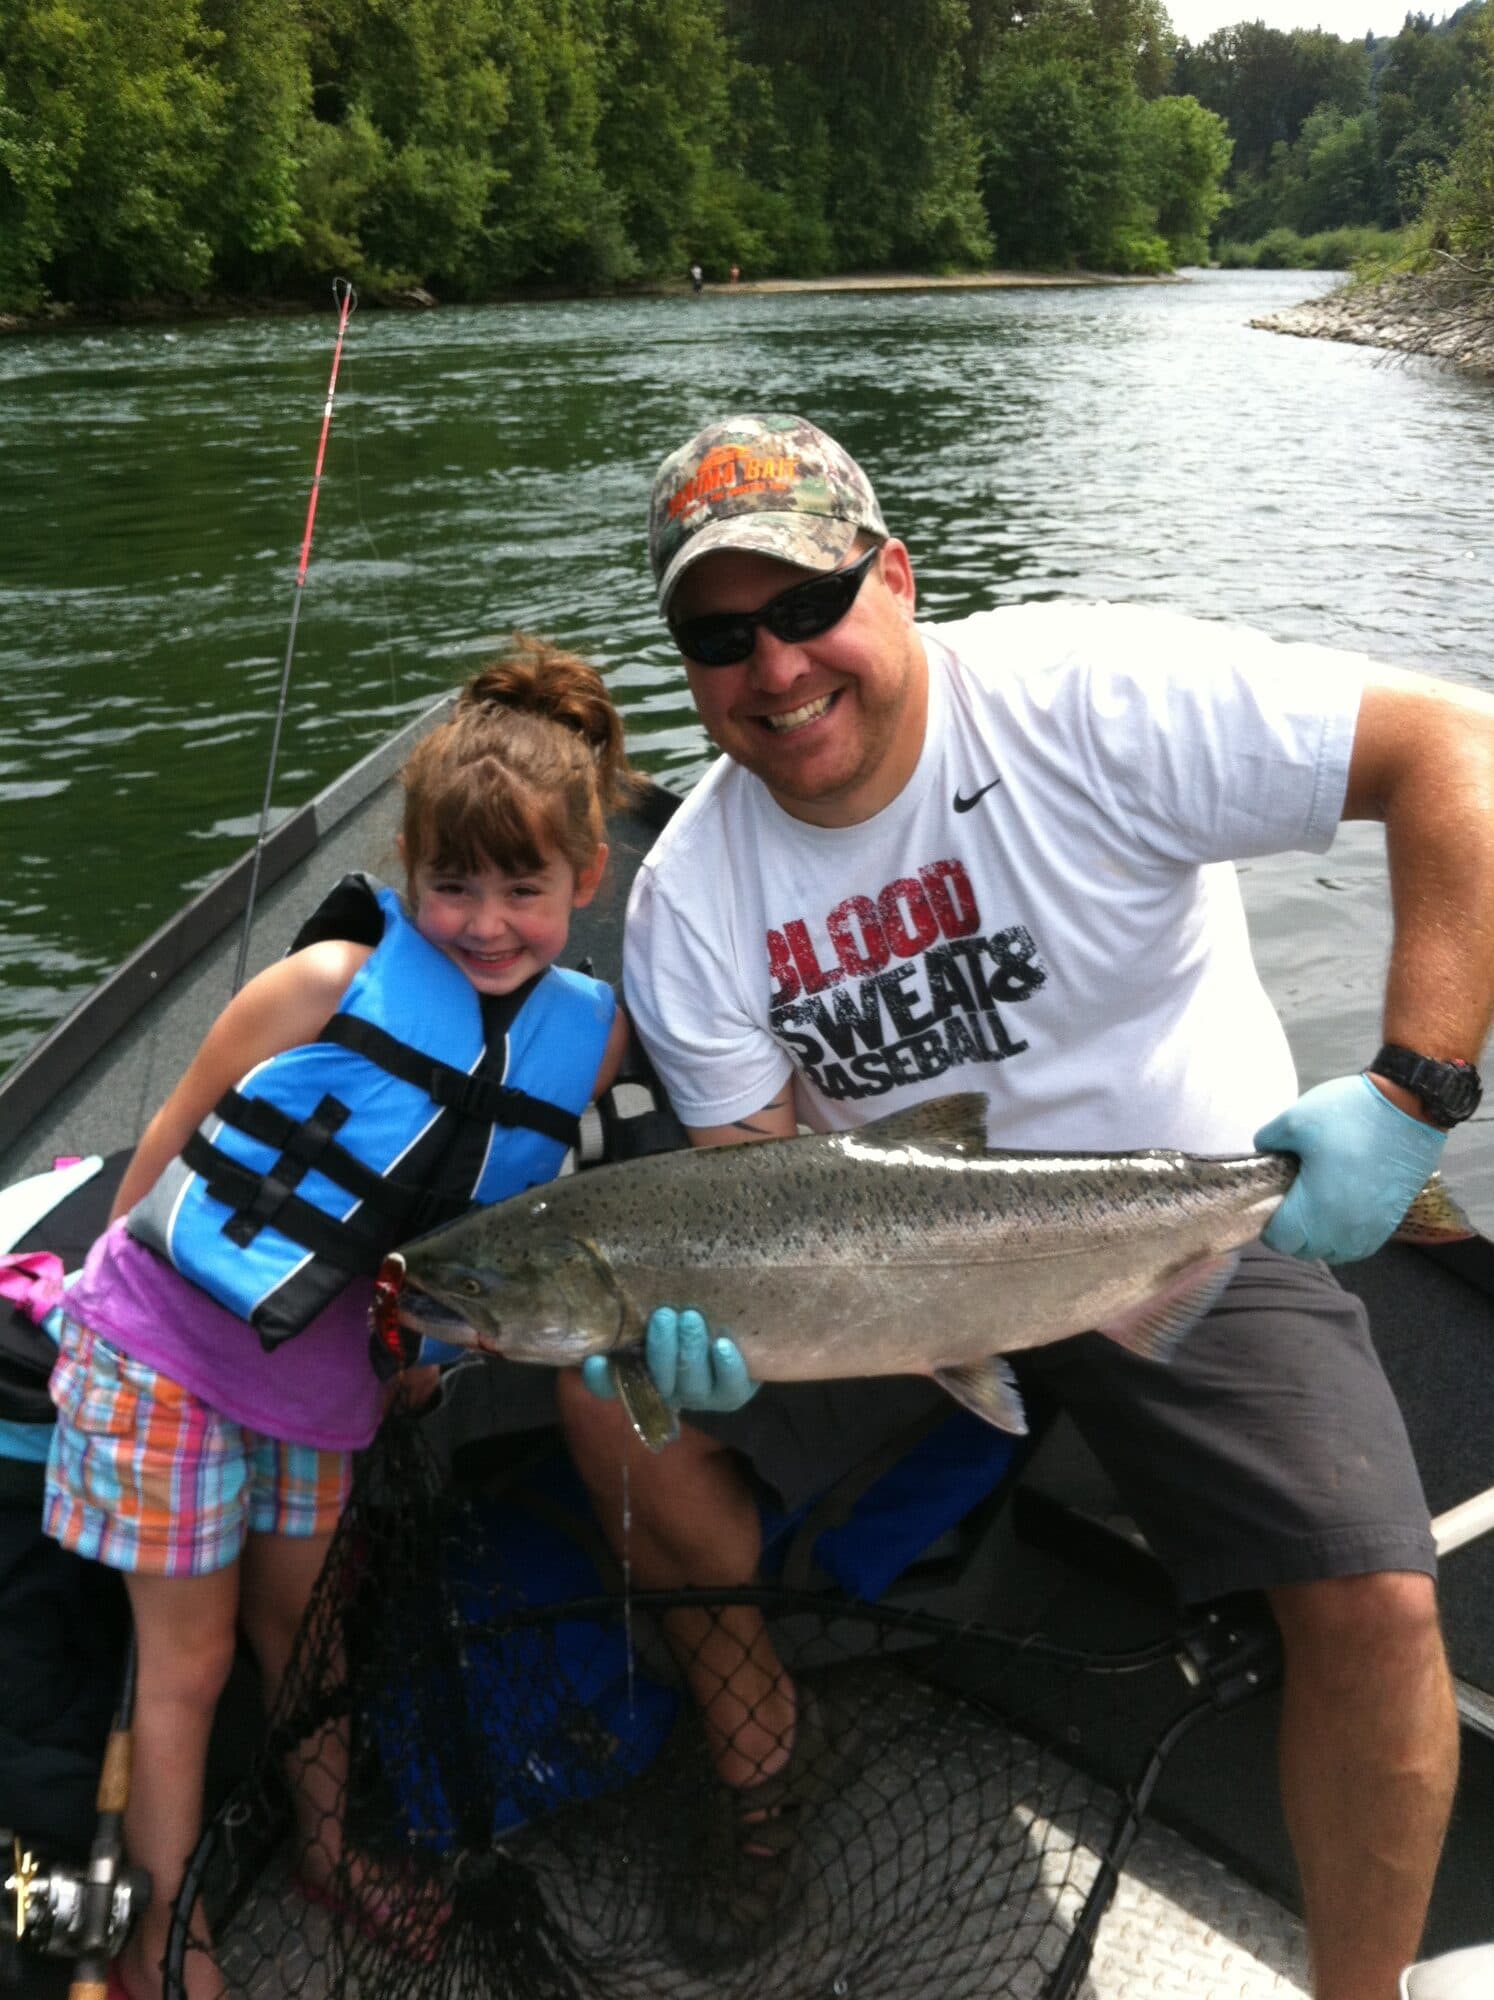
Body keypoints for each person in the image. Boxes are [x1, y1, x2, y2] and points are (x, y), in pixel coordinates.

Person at [557, 413, 1494, 1999]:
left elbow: (1450, 751)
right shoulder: (692, 894)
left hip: (1185, 1224)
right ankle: (761, 1755)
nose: (774, 671)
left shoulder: (1087, 697)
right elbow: (747, 1180)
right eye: (720, 639)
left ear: (895, 577)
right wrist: (695, 1331)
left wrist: (1409, 1091)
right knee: (615, 1422)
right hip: (885, 1272)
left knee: (1373, 1597)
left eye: (803, 607)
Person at [42, 640, 634, 2000]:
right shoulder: (317, 989)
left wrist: (421, 1369)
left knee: (308, 1633)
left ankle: (325, 1846)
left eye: (523, 890)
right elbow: (161, 1162)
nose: (484, 923)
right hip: (164, 1365)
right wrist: (85, 1321)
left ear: (584, 884)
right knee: (182, 1669)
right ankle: (163, 1935)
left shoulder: (583, 1037)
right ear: (408, 870)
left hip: (327, 1395)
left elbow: (498, 1207)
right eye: (450, 885)